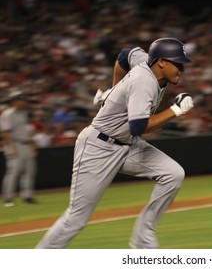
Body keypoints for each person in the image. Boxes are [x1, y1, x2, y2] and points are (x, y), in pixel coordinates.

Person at [35, 37, 194, 249]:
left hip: (128, 146)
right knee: (77, 219)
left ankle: (142, 241)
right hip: (98, 146)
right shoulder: (143, 81)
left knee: (173, 174)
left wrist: (115, 90)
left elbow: (124, 54)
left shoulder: (147, 61)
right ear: (162, 62)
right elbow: (138, 126)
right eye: (178, 62)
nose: (182, 68)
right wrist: (176, 110)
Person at [1, 91, 38, 207]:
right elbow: (6, 132)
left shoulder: (23, 113)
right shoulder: (8, 114)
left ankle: (27, 196)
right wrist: (11, 148)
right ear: (15, 101)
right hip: (15, 144)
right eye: (22, 100)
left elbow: (27, 131)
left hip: (26, 144)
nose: (24, 102)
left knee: (29, 171)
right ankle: (8, 198)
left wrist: (32, 146)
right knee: (13, 172)